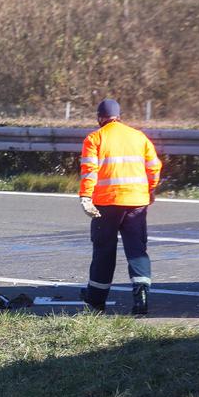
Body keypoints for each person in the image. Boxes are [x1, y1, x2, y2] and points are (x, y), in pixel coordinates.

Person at [78, 98, 161, 315]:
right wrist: (151, 189)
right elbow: (154, 167)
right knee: (137, 250)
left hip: (106, 204)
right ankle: (141, 298)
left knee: (104, 251)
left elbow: (89, 171)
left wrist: (86, 197)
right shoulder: (139, 137)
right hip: (136, 203)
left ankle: (96, 302)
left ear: (99, 118)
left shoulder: (94, 138)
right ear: (119, 116)